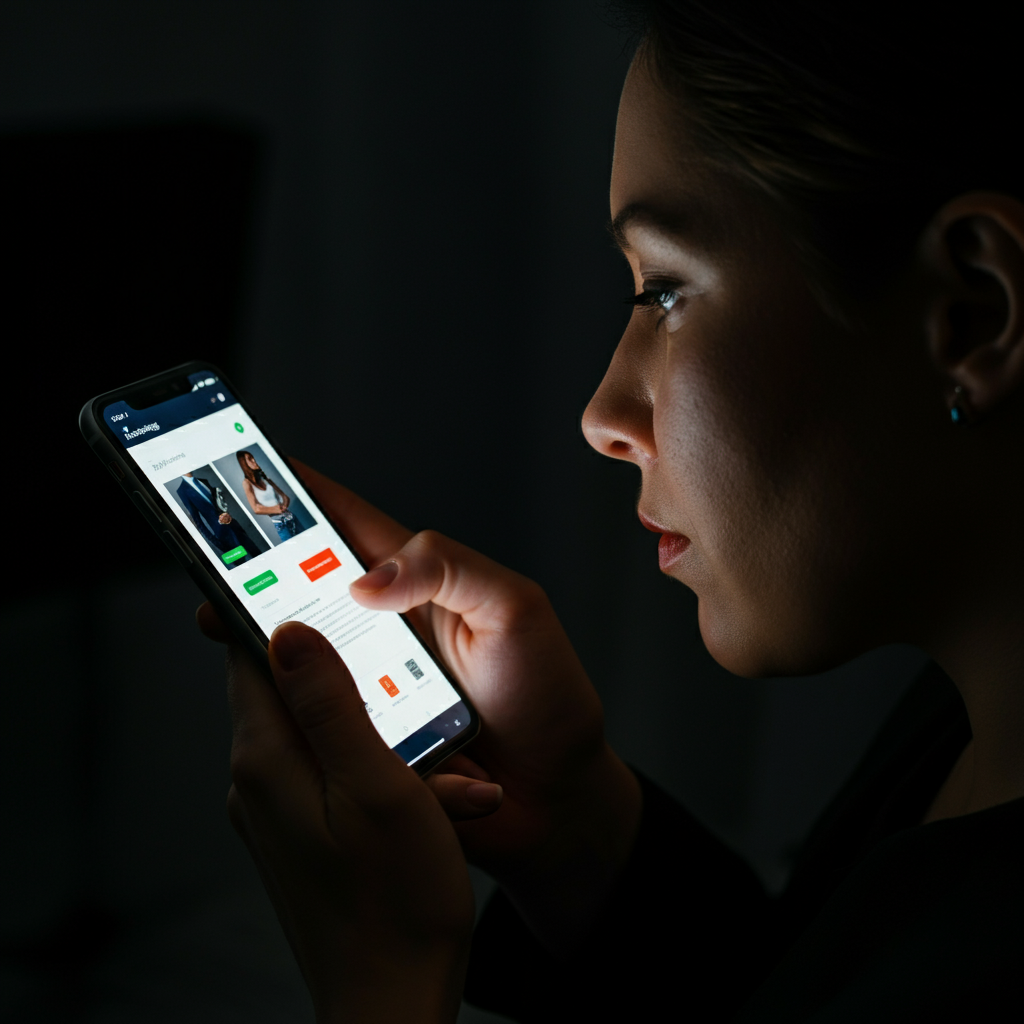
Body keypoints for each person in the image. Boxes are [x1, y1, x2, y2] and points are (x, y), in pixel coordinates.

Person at [196, 2, 1024, 1020]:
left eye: (665, 291)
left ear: (972, 314)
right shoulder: (969, 722)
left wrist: (384, 982)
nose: (601, 417)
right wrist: (576, 825)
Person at [176, 471, 260, 568]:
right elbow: (197, 521)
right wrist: (215, 541)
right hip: (222, 535)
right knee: (242, 566)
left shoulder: (203, 481)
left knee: (257, 554)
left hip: (234, 525)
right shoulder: (182, 491)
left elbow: (219, 504)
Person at [235, 449, 301, 543]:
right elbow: (256, 509)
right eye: (250, 459)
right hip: (281, 525)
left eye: (253, 458)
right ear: (244, 463)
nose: (254, 461)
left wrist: (284, 506)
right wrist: (277, 509)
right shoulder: (246, 483)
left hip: (292, 518)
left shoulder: (264, 477)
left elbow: (285, 497)